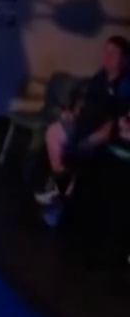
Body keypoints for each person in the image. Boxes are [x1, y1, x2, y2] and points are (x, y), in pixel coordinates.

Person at [35, 35, 130, 204]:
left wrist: (94, 138)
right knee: (53, 133)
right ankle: (62, 185)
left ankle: (64, 194)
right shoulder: (100, 76)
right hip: (82, 124)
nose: (107, 57)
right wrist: (72, 113)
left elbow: (117, 121)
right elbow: (84, 100)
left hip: (100, 132)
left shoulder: (125, 85)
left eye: (113, 53)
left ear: (124, 59)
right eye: (106, 52)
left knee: (80, 152)